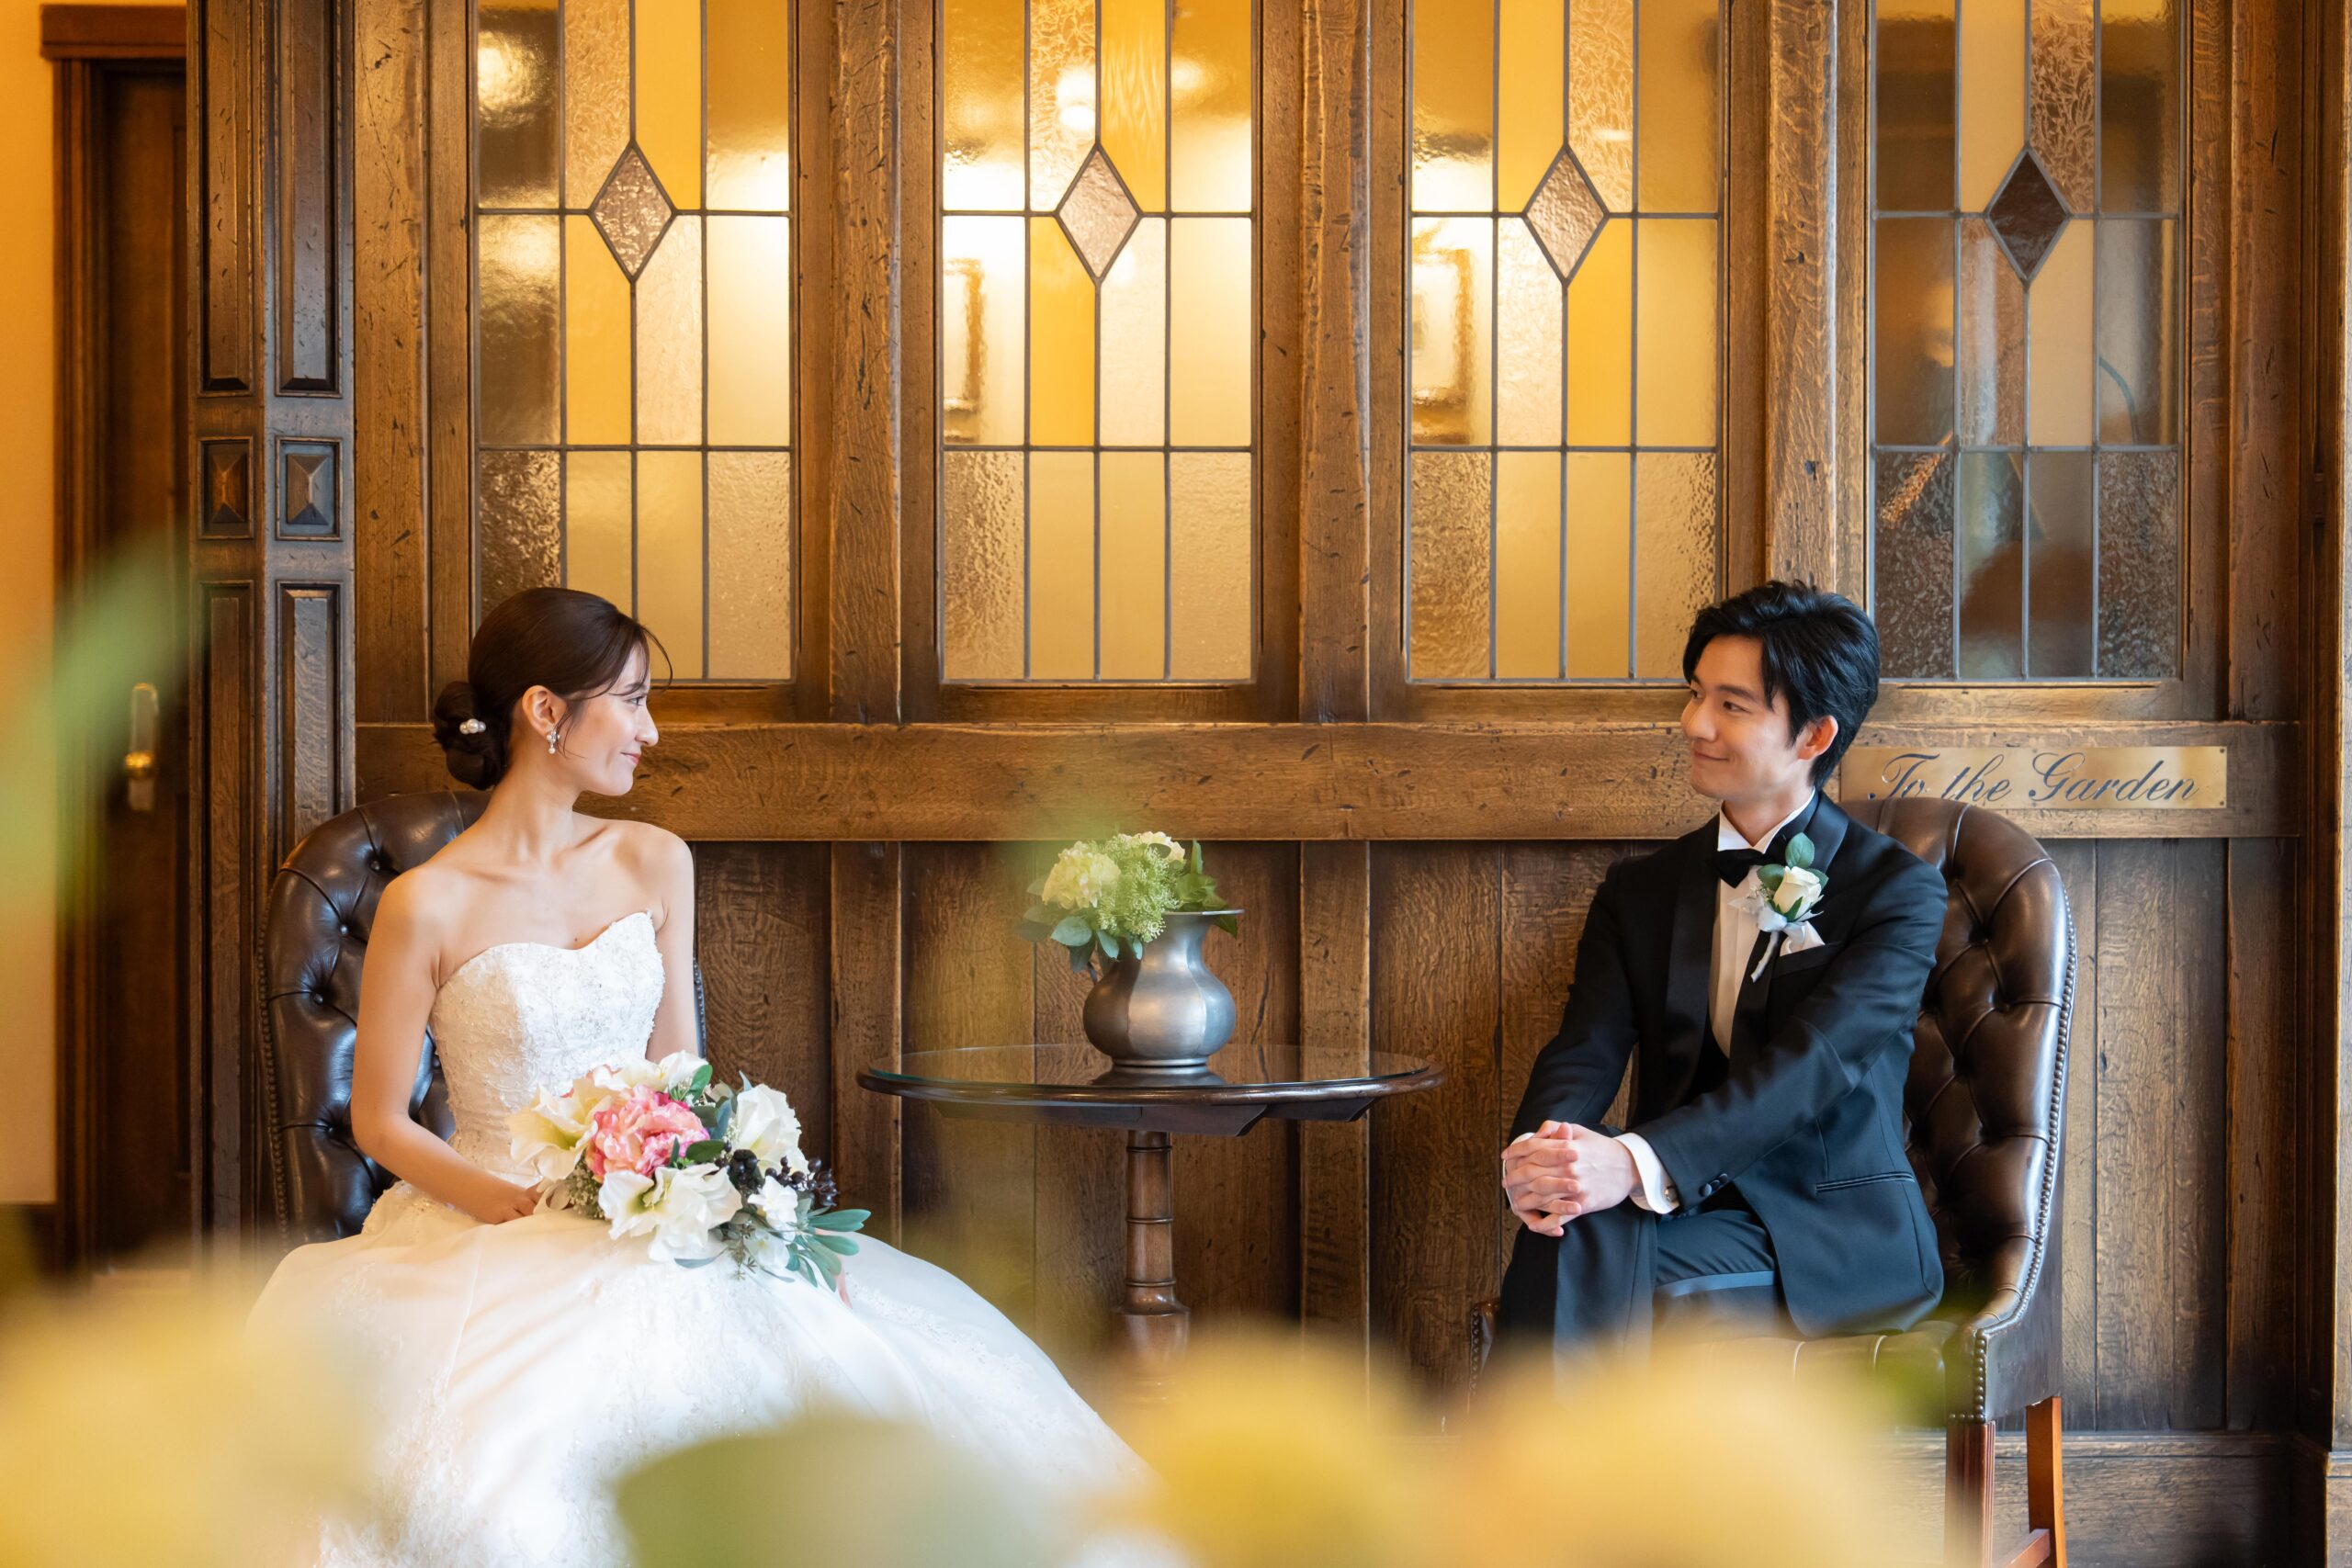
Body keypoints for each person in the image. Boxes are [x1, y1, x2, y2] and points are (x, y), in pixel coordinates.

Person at [249, 588, 1148, 1567]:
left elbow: (682, 1078)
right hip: (491, 1216)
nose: (652, 731)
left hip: (660, 1205)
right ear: (546, 711)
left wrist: (743, 1199)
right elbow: (380, 1122)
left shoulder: (654, 860)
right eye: (632, 701)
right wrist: (509, 1205)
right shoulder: (425, 903)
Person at [1496, 581, 1946, 1354]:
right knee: (1568, 1225)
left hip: (1830, 1233)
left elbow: (1811, 1069)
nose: (1694, 723)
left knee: (1581, 1252)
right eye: (1695, 693)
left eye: (1732, 705)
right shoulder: (1639, 890)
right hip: (1675, 1207)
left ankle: (1523, 1436)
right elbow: (1583, 1050)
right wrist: (1548, 1156)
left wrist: (1631, 1162)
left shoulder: (1896, 892)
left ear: (1814, 736)